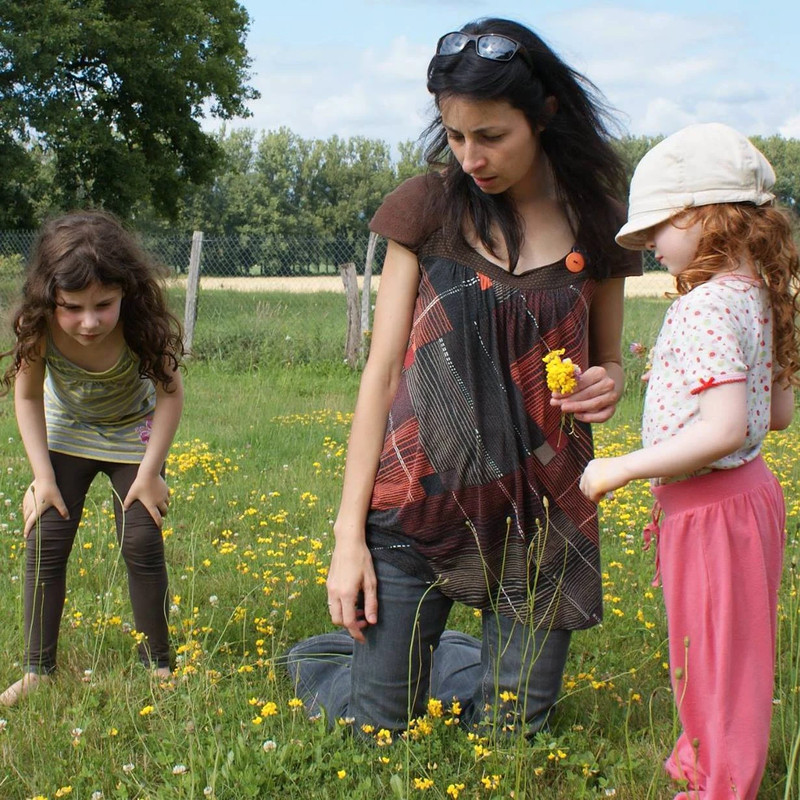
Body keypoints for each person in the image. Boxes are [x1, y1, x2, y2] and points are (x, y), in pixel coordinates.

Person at [287, 18, 640, 737]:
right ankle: (335, 662)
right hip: (417, 511)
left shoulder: (599, 222)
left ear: (542, 115)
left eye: (490, 136)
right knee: (376, 727)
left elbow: (608, 363)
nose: (470, 156)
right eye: (454, 135)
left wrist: (606, 385)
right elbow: (382, 372)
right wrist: (347, 536)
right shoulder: (427, 208)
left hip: (542, 519)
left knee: (509, 737)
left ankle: (449, 654)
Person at [580, 123, 799, 799]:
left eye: (657, 231)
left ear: (705, 216)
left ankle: (724, 787)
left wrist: (622, 466)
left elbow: (729, 426)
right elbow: (778, 413)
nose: (650, 247)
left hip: (711, 510)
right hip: (747, 499)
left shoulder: (703, 308)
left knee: (718, 660)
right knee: (717, 651)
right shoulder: (760, 296)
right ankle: (704, 760)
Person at [0, 210, 185, 706]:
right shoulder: (38, 328)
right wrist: (43, 478)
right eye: (72, 307)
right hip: (69, 429)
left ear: (126, 291)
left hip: (133, 432)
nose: (89, 321)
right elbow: (27, 398)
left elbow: (170, 396)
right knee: (45, 537)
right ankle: (38, 670)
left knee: (142, 541)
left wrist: (149, 476)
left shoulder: (142, 325)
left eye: (104, 304)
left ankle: (158, 665)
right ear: (49, 299)